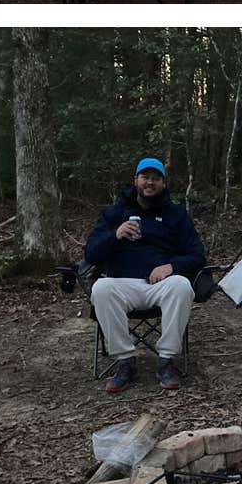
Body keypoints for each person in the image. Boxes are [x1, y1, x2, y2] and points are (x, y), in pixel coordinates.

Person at [84, 157, 205, 393]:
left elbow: (197, 255)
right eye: (145, 177)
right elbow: (91, 253)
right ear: (136, 180)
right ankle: (125, 362)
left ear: (163, 183)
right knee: (101, 289)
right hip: (122, 284)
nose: (150, 182)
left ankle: (166, 360)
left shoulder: (176, 214)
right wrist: (115, 235)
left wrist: (171, 266)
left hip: (161, 285)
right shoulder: (114, 213)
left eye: (156, 178)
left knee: (181, 285)